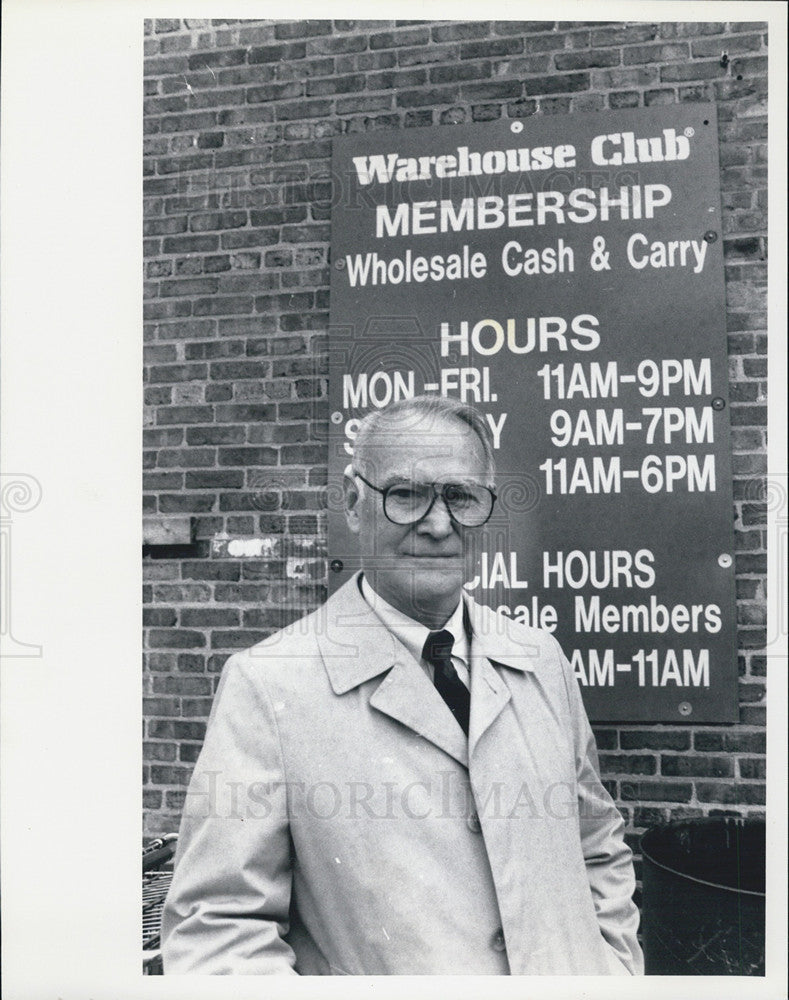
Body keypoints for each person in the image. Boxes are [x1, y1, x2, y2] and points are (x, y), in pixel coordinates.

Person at [161, 395, 643, 975]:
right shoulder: (268, 685)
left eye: (461, 496)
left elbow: (597, 848)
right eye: (406, 494)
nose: (438, 524)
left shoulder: (541, 660)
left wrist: (613, 972)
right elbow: (219, 932)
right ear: (353, 502)